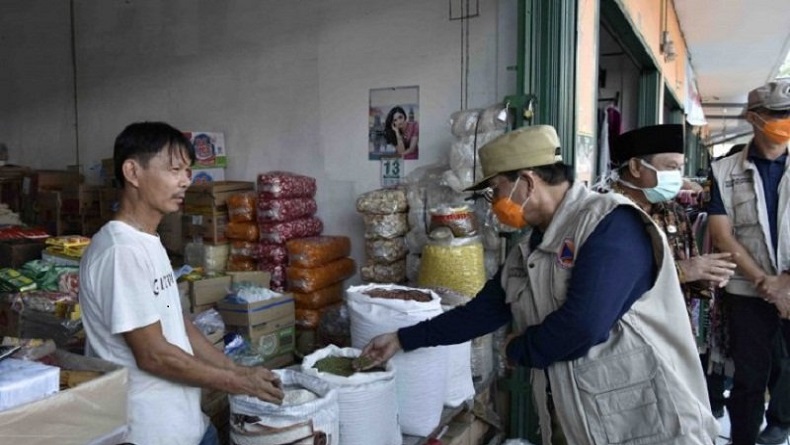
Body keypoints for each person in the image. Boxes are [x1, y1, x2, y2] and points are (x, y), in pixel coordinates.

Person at [358, 124, 719, 444]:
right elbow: (481, 313)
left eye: (495, 191)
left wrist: (517, 349)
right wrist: (402, 339)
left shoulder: (610, 225)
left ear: (526, 182)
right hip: (585, 420)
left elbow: (582, 326)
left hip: (650, 422)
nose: (494, 204)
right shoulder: (528, 250)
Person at [79, 122, 284, 445]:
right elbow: (153, 355)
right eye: (175, 169)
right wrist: (235, 382)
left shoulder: (147, 239)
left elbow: (179, 322)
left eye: (188, 171)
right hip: (148, 431)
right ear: (132, 172)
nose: (186, 181)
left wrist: (237, 370)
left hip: (187, 423)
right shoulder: (121, 252)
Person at [606, 123, 737, 419]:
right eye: (670, 167)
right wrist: (680, 271)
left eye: (680, 168)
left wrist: (707, 274)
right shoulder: (604, 212)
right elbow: (609, 283)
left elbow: (688, 275)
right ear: (637, 167)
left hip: (673, 334)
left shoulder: (672, 211)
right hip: (623, 341)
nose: (677, 177)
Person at [708, 80, 790, 445]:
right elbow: (723, 234)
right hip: (747, 289)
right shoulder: (724, 170)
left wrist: (786, 280)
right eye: (779, 115)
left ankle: (781, 422)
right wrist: (765, 282)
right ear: (755, 119)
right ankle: (743, 438)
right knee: (748, 377)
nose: (786, 122)